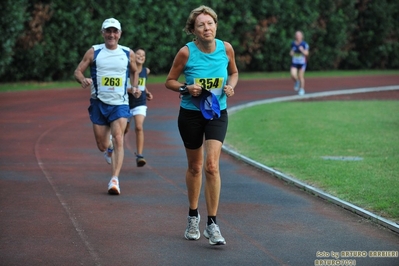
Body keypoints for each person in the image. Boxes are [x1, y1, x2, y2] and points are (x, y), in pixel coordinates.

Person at [165, 5, 238, 246]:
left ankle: (213, 224)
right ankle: (193, 216)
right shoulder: (186, 53)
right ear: (193, 30)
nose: (207, 28)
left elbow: (234, 73)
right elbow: (170, 81)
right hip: (191, 114)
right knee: (195, 167)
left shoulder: (226, 48)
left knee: (212, 166)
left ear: (216, 25)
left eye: (210, 23)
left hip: (217, 113)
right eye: (201, 25)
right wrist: (187, 88)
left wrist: (230, 86)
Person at [74, 18, 141, 195]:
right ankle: (108, 148)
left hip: (120, 103)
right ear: (102, 32)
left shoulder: (127, 53)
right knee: (102, 144)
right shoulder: (94, 52)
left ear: (120, 34)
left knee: (119, 137)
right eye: (108, 31)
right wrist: (83, 80)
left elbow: (135, 71)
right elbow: (78, 71)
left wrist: (134, 87)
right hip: (99, 103)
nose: (111, 35)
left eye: (115, 31)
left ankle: (114, 180)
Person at [125, 48, 153, 167]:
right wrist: (132, 90)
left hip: (140, 103)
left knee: (139, 127)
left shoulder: (146, 71)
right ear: (133, 56)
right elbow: (121, 87)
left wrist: (146, 92)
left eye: (143, 55)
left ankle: (140, 155)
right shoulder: (126, 70)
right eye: (138, 54)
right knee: (124, 130)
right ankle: (113, 146)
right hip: (126, 103)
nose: (141, 56)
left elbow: (142, 84)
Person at [290, 31, 309, 96]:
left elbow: (307, 53)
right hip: (295, 62)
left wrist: (302, 50)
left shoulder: (304, 44)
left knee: (301, 76)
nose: (298, 37)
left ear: (301, 36)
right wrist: (291, 53)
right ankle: (297, 82)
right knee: (293, 75)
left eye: (299, 35)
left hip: (302, 62)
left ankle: (301, 89)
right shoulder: (293, 43)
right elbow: (291, 52)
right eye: (296, 35)